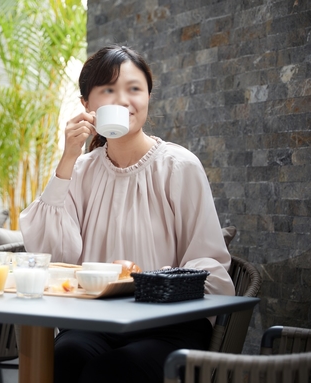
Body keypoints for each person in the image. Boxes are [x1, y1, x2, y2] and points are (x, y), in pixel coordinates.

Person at [19, 45, 236, 382]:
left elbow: (209, 264)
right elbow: (52, 256)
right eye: (108, 90)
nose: (122, 100)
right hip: (97, 321)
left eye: (134, 89)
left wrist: (156, 289)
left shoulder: (179, 166)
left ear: (148, 96)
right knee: (64, 355)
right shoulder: (80, 170)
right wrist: (67, 159)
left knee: (114, 370)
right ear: (87, 106)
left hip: (170, 326)